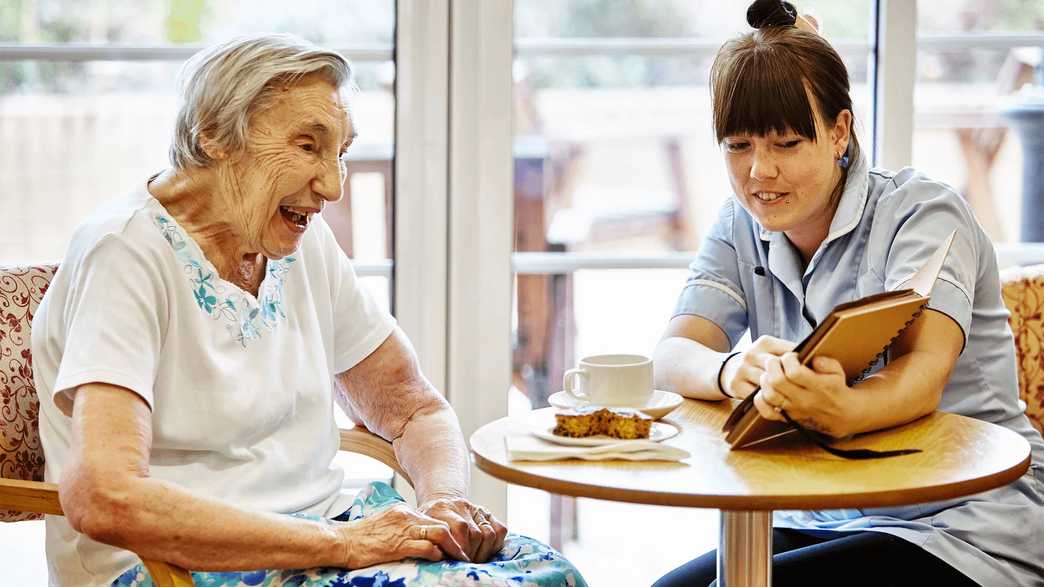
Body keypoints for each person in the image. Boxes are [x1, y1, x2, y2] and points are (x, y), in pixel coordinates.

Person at [32, 34, 585, 587]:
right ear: (214, 136)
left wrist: (443, 502)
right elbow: (105, 497)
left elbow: (413, 408)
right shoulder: (124, 252)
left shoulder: (298, 242)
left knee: (548, 574)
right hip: (178, 566)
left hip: (322, 537)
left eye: (341, 153)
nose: (334, 186)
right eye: (307, 146)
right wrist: (345, 544)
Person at [651, 1, 1044, 585]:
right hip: (831, 510)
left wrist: (845, 410)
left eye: (785, 143)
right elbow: (673, 354)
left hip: (967, 522)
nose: (759, 172)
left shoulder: (924, 214)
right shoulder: (739, 224)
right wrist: (730, 369)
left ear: (839, 130)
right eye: (738, 145)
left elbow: (921, 370)